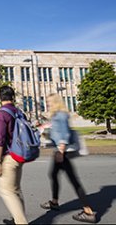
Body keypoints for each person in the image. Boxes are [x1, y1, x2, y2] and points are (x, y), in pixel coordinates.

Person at [39, 94, 96, 223]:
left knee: (74, 181)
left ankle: (88, 211)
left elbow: (64, 134)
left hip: (62, 152)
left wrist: (61, 151)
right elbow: (57, 132)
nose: (47, 104)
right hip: (60, 151)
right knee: (53, 175)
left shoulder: (60, 115)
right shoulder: (57, 115)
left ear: (55, 102)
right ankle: (54, 201)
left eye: (48, 101)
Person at [0, 86, 28, 225]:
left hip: (9, 157)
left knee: (6, 191)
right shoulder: (19, 112)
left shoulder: (2, 113)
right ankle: (16, 218)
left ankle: (21, 222)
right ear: (13, 97)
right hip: (20, 155)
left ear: (0, 97)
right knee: (16, 189)